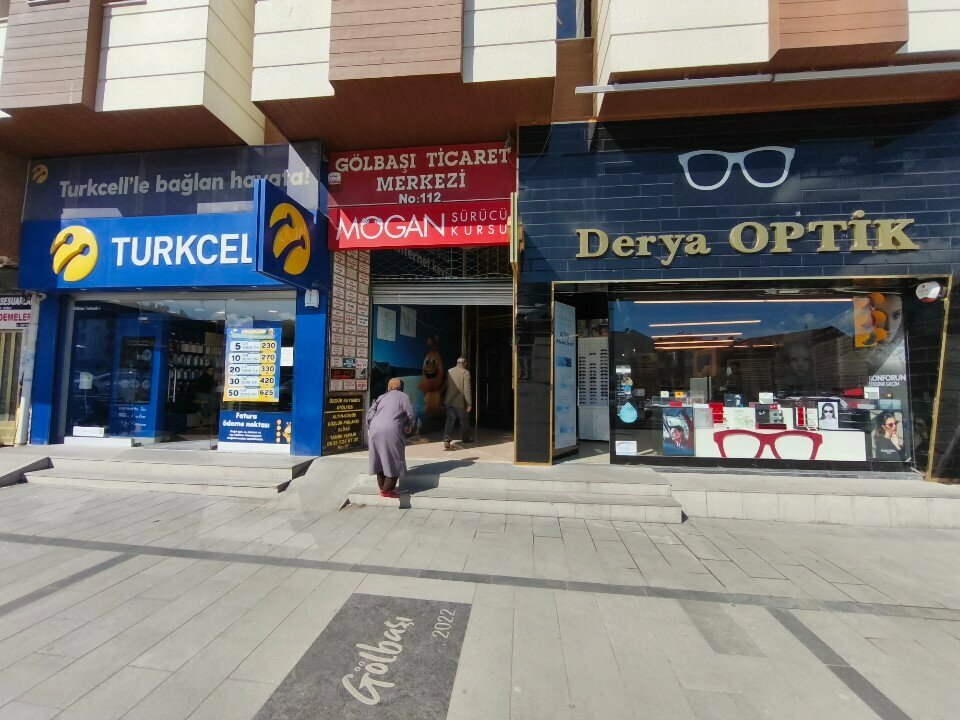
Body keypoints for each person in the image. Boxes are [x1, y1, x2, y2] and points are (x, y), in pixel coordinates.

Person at [367, 378, 416, 497]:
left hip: (374, 428)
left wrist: (370, 427)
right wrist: (409, 425)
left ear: (389, 387)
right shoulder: (403, 396)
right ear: (400, 387)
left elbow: (370, 413)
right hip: (391, 429)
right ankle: (388, 490)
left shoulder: (381, 397)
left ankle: (382, 487)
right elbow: (410, 413)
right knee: (395, 457)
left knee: (379, 458)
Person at [443, 356, 473, 450]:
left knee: (450, 419)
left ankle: (446, 439)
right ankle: (466, 439)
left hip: (449, 401)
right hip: (460, 402)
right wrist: (469, 403)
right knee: (464, 420)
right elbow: (467, 389)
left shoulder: (449, 371)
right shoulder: (465, 372)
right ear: (465, 364)